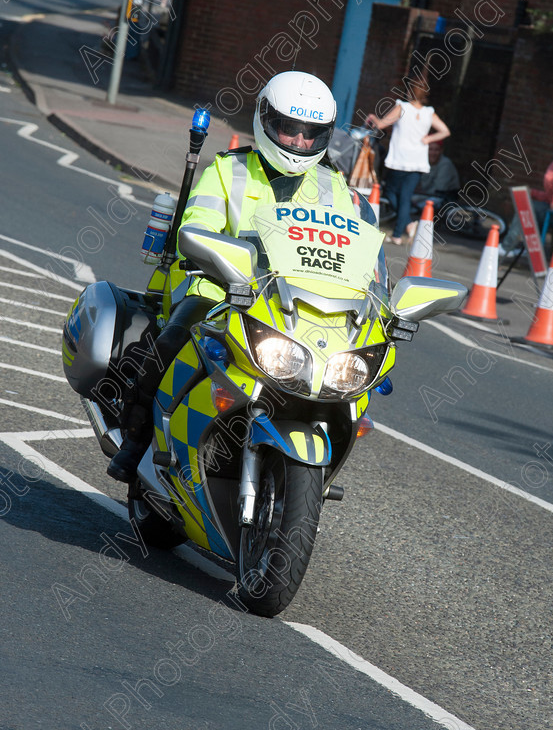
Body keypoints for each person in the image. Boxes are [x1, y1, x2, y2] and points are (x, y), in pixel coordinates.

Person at [107, 71, 373, 483]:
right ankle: (137, 437)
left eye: (311, 134)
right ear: (266, 121)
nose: (300, 143)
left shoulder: (334, 187)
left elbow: (358, 253)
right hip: (217, 290)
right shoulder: (229, 171)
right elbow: (194, 229)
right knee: (175, 338)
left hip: (294, 303)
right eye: (289, 129)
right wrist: (209, 252)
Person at [365, 87, 450, 245]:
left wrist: (372, 118)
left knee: (390, 191)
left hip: (400, 159)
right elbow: (445, 131)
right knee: (405, 196)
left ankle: (405, 226)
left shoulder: (402, 107)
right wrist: (429, 139)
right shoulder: (429, 112)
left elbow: (382, 124)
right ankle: (400, 232)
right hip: (418, 161)